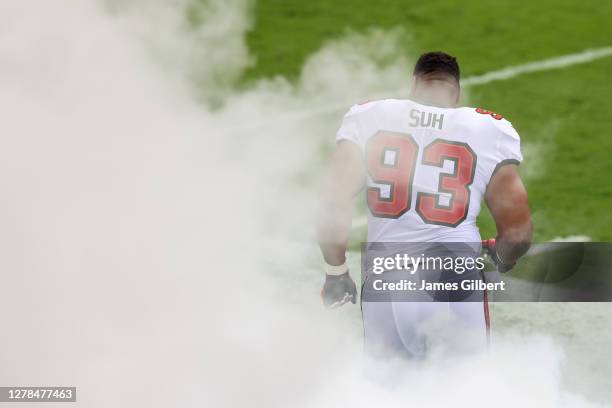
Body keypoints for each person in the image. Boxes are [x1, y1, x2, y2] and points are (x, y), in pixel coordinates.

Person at [316, 51, 532, 359]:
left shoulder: (370, 117)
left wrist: (335, 272)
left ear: (414, 85)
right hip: (452, 274)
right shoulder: (489, 130)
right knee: (463, 390)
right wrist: (499, 258)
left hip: (385, 276)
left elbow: (331, 201)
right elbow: (518, 235)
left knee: (386, 389)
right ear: (455, 93)